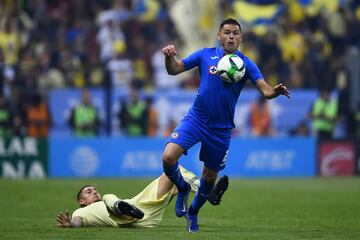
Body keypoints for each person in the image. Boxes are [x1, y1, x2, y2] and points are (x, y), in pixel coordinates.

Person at [161, 18, 290, 232]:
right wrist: (169, 57)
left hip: (220, 129)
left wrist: (275, 91)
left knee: (209, 177)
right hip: (196, 119)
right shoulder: (204, 54)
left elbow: (266, 91)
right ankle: (182, 187)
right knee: (167, 157)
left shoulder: (246, 64)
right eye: (227, 32)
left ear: (240, 37)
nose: (231, 36)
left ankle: (193, 212)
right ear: (219, 35)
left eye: (235, 33)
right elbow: (174, 69)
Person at [56, 166, 228, 228]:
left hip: (142, 213)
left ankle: (207, 193)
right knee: (109, 197)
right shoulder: (82, 212)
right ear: (81, 201)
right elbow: (78, 222)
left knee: (174, 174)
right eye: (88, 192)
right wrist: (71, 224)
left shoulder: (100, 203)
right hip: (129, 216)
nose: (93, 192)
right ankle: (206, 192)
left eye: (94, 190)